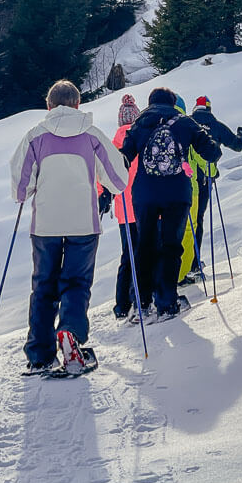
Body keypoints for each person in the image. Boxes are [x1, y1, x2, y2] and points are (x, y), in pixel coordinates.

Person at [9, 79, 128, 374]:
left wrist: (29, 190)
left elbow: (20, 188)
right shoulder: (92, 135)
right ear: (78, 104)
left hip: (46, 224)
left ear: (49, 106)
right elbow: (118, 181)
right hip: (83, 223)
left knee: (43, 285)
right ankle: (71, 335)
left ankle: (39, 353)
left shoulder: (35, 137)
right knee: (75, 283)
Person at [120, 86, 219, 323]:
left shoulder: (140, 123)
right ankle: (167, 302)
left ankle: (142, 304)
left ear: (151, 102)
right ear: (173, 102)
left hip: (145, 194)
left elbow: (124, 158)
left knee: (145, 246)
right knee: (171, 245)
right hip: (177, 192)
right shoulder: (184, 122)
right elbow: (211, 153)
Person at [181, 95, 242, 283]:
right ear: (209, 109)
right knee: (198, 220)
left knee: (184, 223)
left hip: (185, 179)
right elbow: (237, 145)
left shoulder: (188, 123)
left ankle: (182, 266)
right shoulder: (216, 126)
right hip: (205, 179)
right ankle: (194, 263)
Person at [98, 93, 142, 319]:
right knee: (145, 253)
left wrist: (102, 198)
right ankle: (141, 298)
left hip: (124, 209)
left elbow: (102, 178)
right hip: (144, 206)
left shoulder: (112, 146)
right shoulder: (143, 139)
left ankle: (121, 304)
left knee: (128, 256)